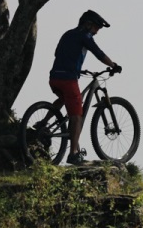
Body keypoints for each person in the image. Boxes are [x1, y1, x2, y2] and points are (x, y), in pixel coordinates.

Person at [49, 9, 121, 165]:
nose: (96, 32)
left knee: (63, 99)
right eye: (96, 28)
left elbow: (58, 53)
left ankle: (44, 123)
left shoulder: (67, 34)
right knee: (76, 116)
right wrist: (113, 65)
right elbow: (98, 53)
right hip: (68, 79)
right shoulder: (85, 36)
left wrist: (76, 68)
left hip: (54, 77)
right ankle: (73, 153)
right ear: (88, 24)